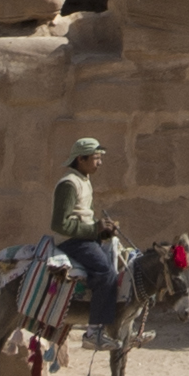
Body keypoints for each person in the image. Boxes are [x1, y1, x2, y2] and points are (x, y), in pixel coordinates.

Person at [50, 138, 122, 343]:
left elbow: (83, 215)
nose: (99, 162)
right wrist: (94, 229)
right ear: (81, 159)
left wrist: (103, 230)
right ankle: (94, 332)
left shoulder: (83, 179)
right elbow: (59, 225)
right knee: (105, 272)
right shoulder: (68, 184)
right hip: (72, 241)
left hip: (85, 238)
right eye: (96, 158)